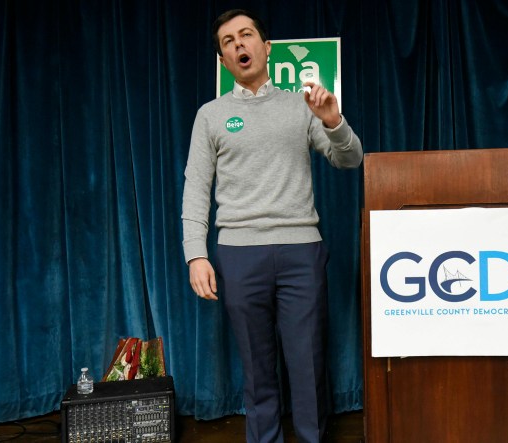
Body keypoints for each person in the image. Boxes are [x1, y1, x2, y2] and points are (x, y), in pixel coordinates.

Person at [181, 9, 363, 443]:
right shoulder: (211, 115)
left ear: (266, 48)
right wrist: (196, 254)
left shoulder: (301, 106)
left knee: (307, 364)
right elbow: (195, 187)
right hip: (240, 255)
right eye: (228, 41)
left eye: (247, 35)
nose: (239, 44)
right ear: (223, 60)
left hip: (302, 251)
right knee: (257, 369)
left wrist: (334, 121)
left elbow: (350, 159)